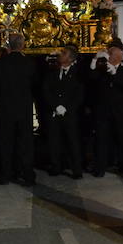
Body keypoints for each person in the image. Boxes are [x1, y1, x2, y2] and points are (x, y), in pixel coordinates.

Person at [0, 33, 37, 185]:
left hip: (6, 107)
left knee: (6, 142)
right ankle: (27, 174)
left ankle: (5, 174)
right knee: (26, 142)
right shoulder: (29, 63)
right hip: (24, 107)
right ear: (22, 45)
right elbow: (35, 84)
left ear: (9, 46)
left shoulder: (1, 63)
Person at [89, 38, 123, 179]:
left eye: (110, 55)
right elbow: (92, 78)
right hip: (103, 111)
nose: (107, 57)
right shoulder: (102, 70)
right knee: (101, 140)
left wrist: (115, 75)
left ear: (117, 58)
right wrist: (94, 61)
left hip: (120, 112)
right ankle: (100, 168)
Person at [42, 45, 85, 178]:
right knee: (54, 140)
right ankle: (56, 166)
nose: (60, 54)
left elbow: (79, 94)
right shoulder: (53, 72)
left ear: (71, 58)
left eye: (64, 53)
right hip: (54, 112)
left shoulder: (78, 73)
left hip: (70, 113)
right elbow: (46, 90)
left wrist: (66, 107)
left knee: (72, 141)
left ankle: (76, 169)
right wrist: (55, 106)